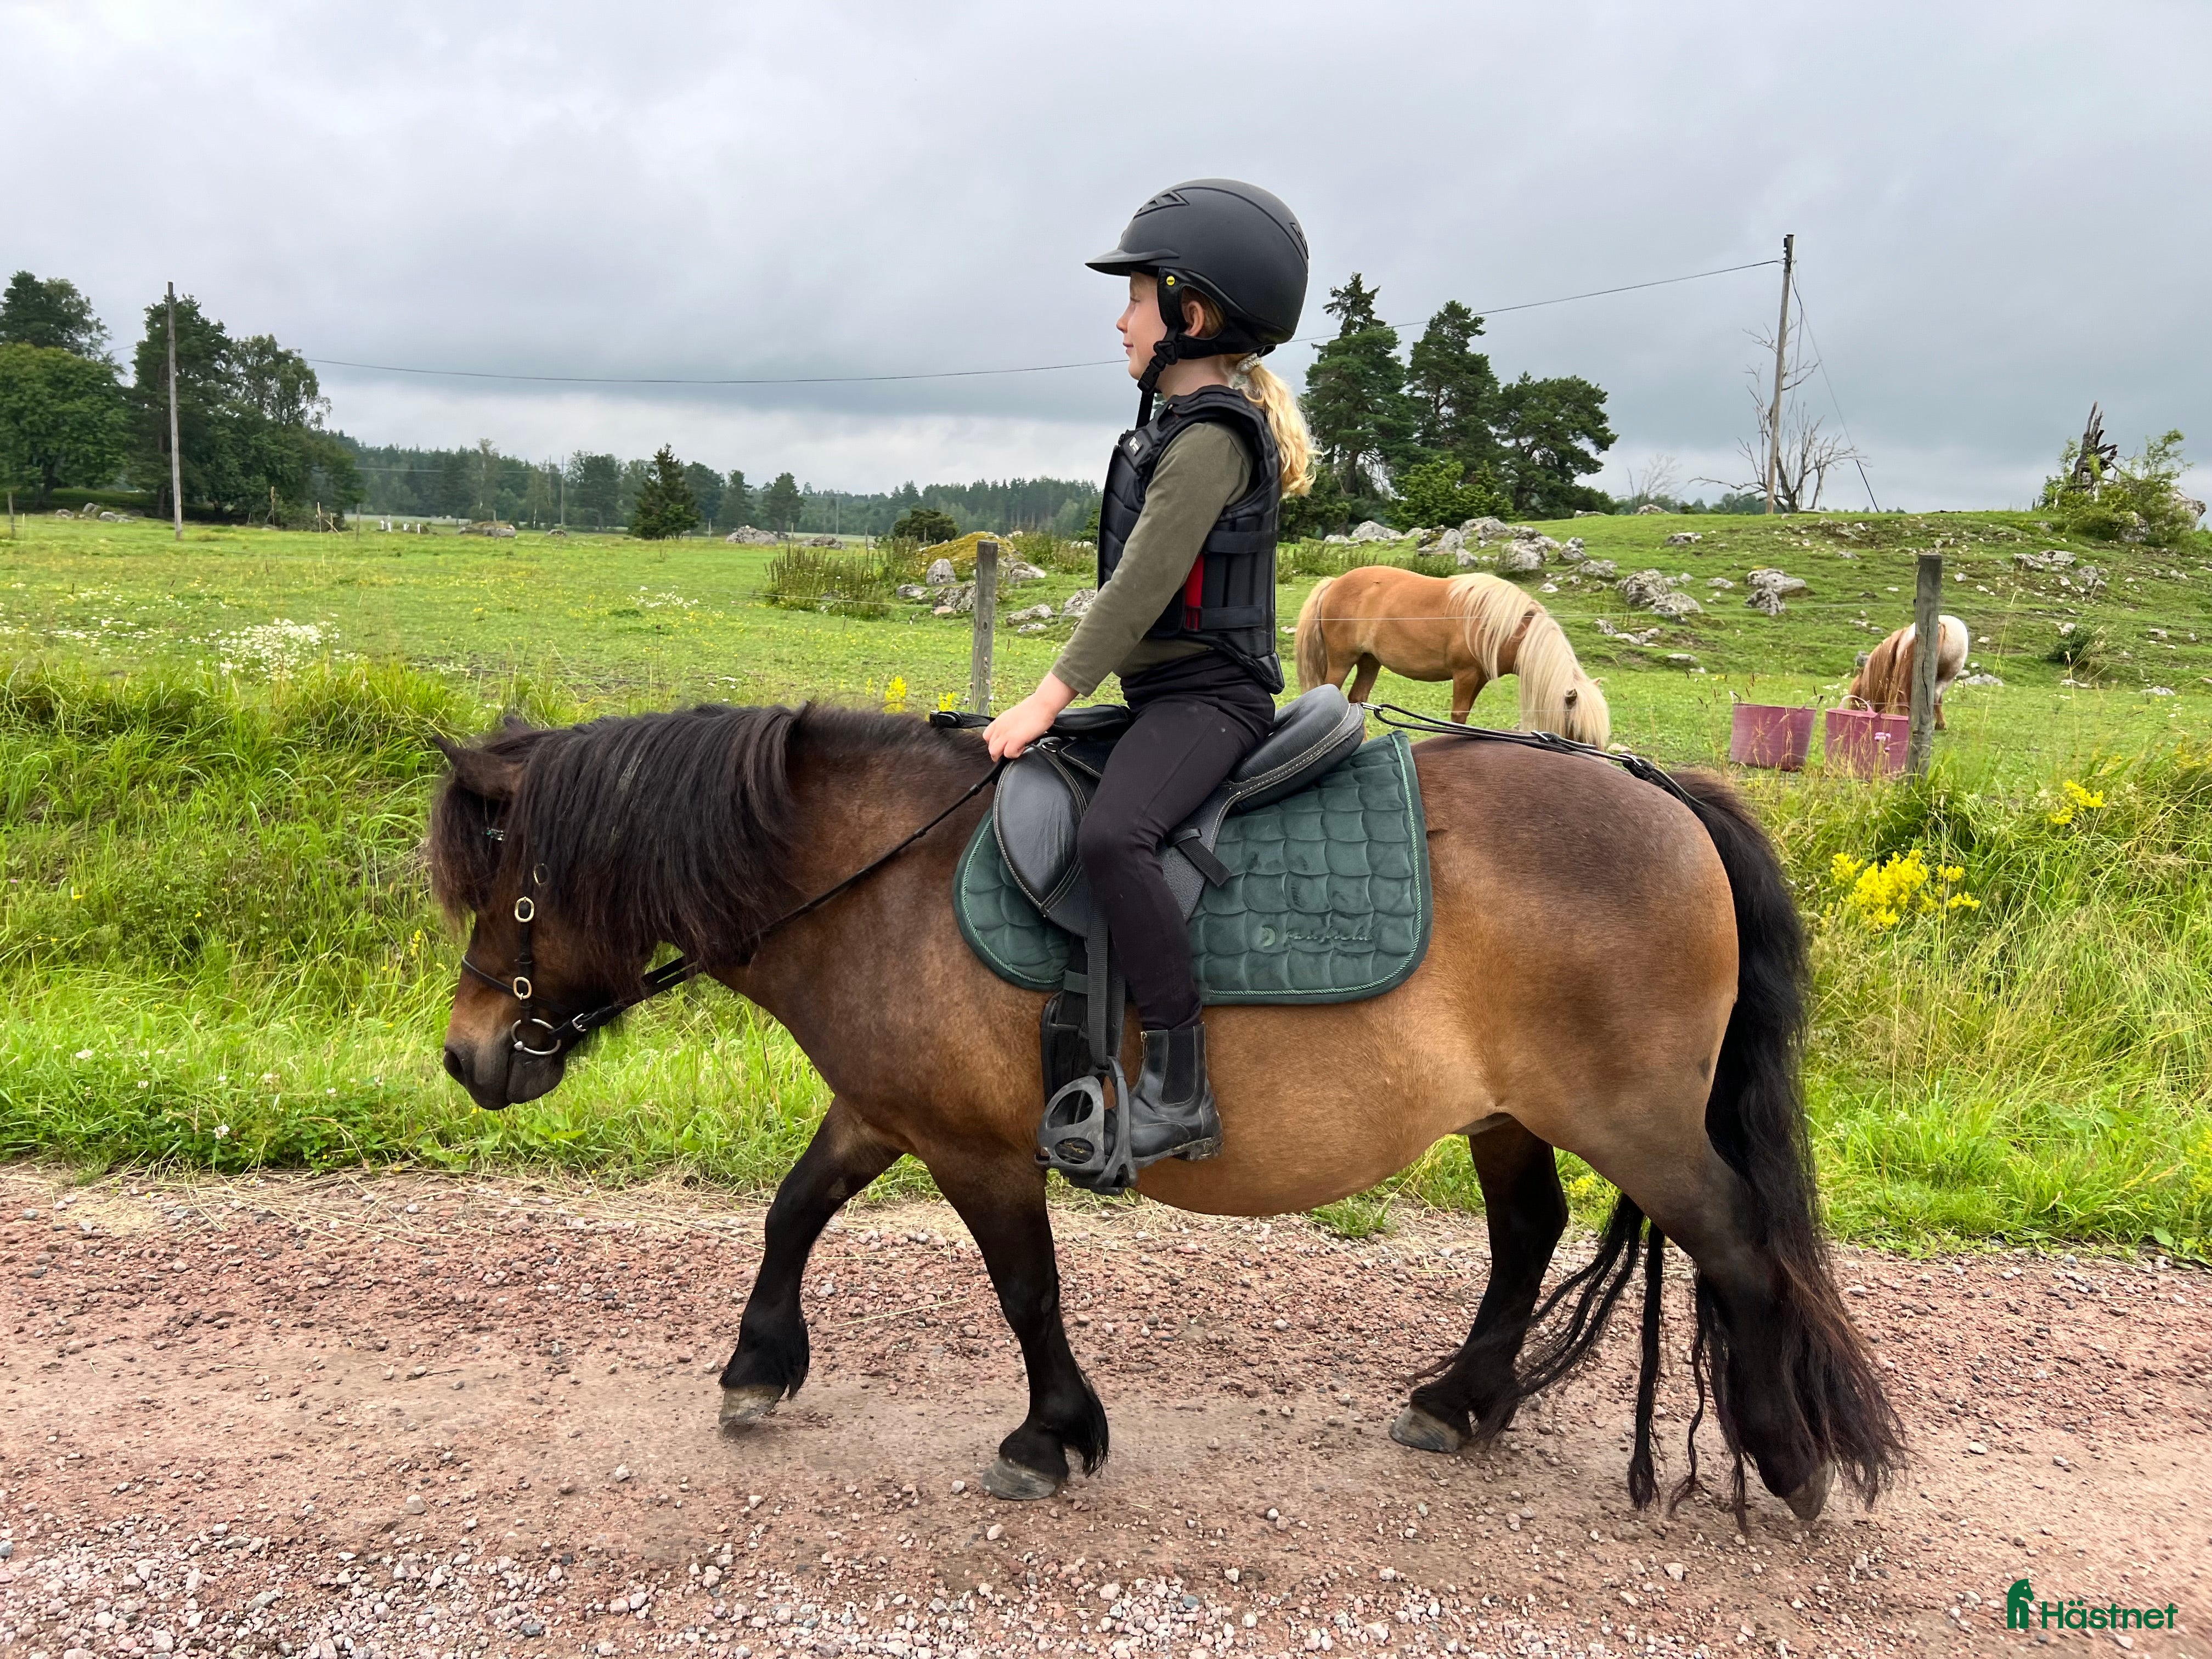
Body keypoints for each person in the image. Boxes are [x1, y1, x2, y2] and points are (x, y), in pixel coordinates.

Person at [985, 178, 1314, 1172]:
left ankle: (1179, 1086)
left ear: (1190, 313)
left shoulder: (1211, 438)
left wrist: (1049, 697)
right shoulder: (1172, 429)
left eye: (1135, 296)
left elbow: (1143, 586)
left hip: (1214, 701)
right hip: (1166, 697)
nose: (1120, 317)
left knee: (1115, 837)